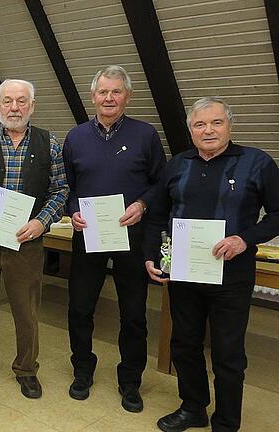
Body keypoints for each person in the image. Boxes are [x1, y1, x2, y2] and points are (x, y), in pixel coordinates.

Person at [144, 97, 279, 432]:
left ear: (229, 126)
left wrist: (244, 239)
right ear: (191, 130)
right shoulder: (177, 165)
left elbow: (277, 215)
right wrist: (154, 255)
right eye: (200, 124)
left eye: (216, 122)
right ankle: (193, 408)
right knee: (184, 344)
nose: (208, 130)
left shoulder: (257, 162)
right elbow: (158, 215)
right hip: (184, 274)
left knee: (228, 352)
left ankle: (226, 422)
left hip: (232, 275)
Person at [62, 65, 166, 412]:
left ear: (127, 96)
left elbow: (160, 184)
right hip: (88, 235)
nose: (109, 98)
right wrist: (73, 210)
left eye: (116, 91)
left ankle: (130, 381)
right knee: (79, 308)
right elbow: (67, 187)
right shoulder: (75, 137)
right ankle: (82, 370)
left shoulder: (146, 135)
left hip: (131, 236)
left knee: (133, 313)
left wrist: (142, 204)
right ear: (93, 96)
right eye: (103, 92)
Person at [0, 79, 68, 398]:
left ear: (32, 106)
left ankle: (26, 369)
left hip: (27, 244)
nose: (14, 108)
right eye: (7, 101)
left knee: (26, 309)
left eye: (21, 101)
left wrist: (41, 222)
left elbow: (60, 190)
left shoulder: (50, 143)